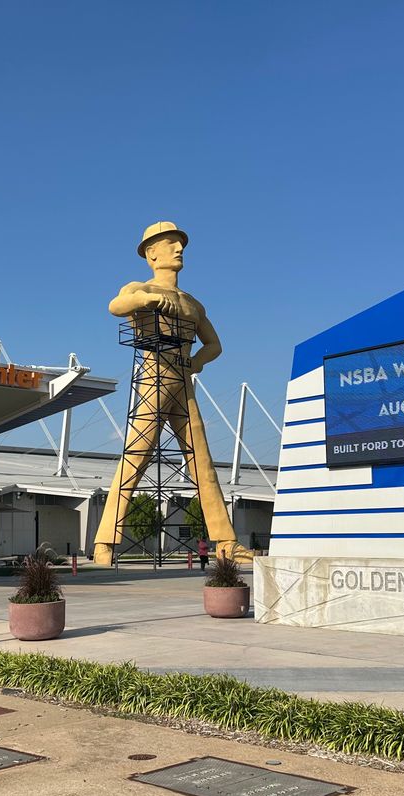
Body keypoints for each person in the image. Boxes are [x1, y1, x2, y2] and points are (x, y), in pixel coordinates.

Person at [93, 221, 252, 566]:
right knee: (136, 456)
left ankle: (226, 542)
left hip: (182, 380)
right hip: (154, 378)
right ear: (152, 254)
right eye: (170, 244)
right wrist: (148, 299)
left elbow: (214, 345)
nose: (179, 249)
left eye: (180, 244)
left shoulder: (193, 303)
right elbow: (116, 306)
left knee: (202, 461)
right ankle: (104, 542)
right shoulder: (140, 288)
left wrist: (196, 362)